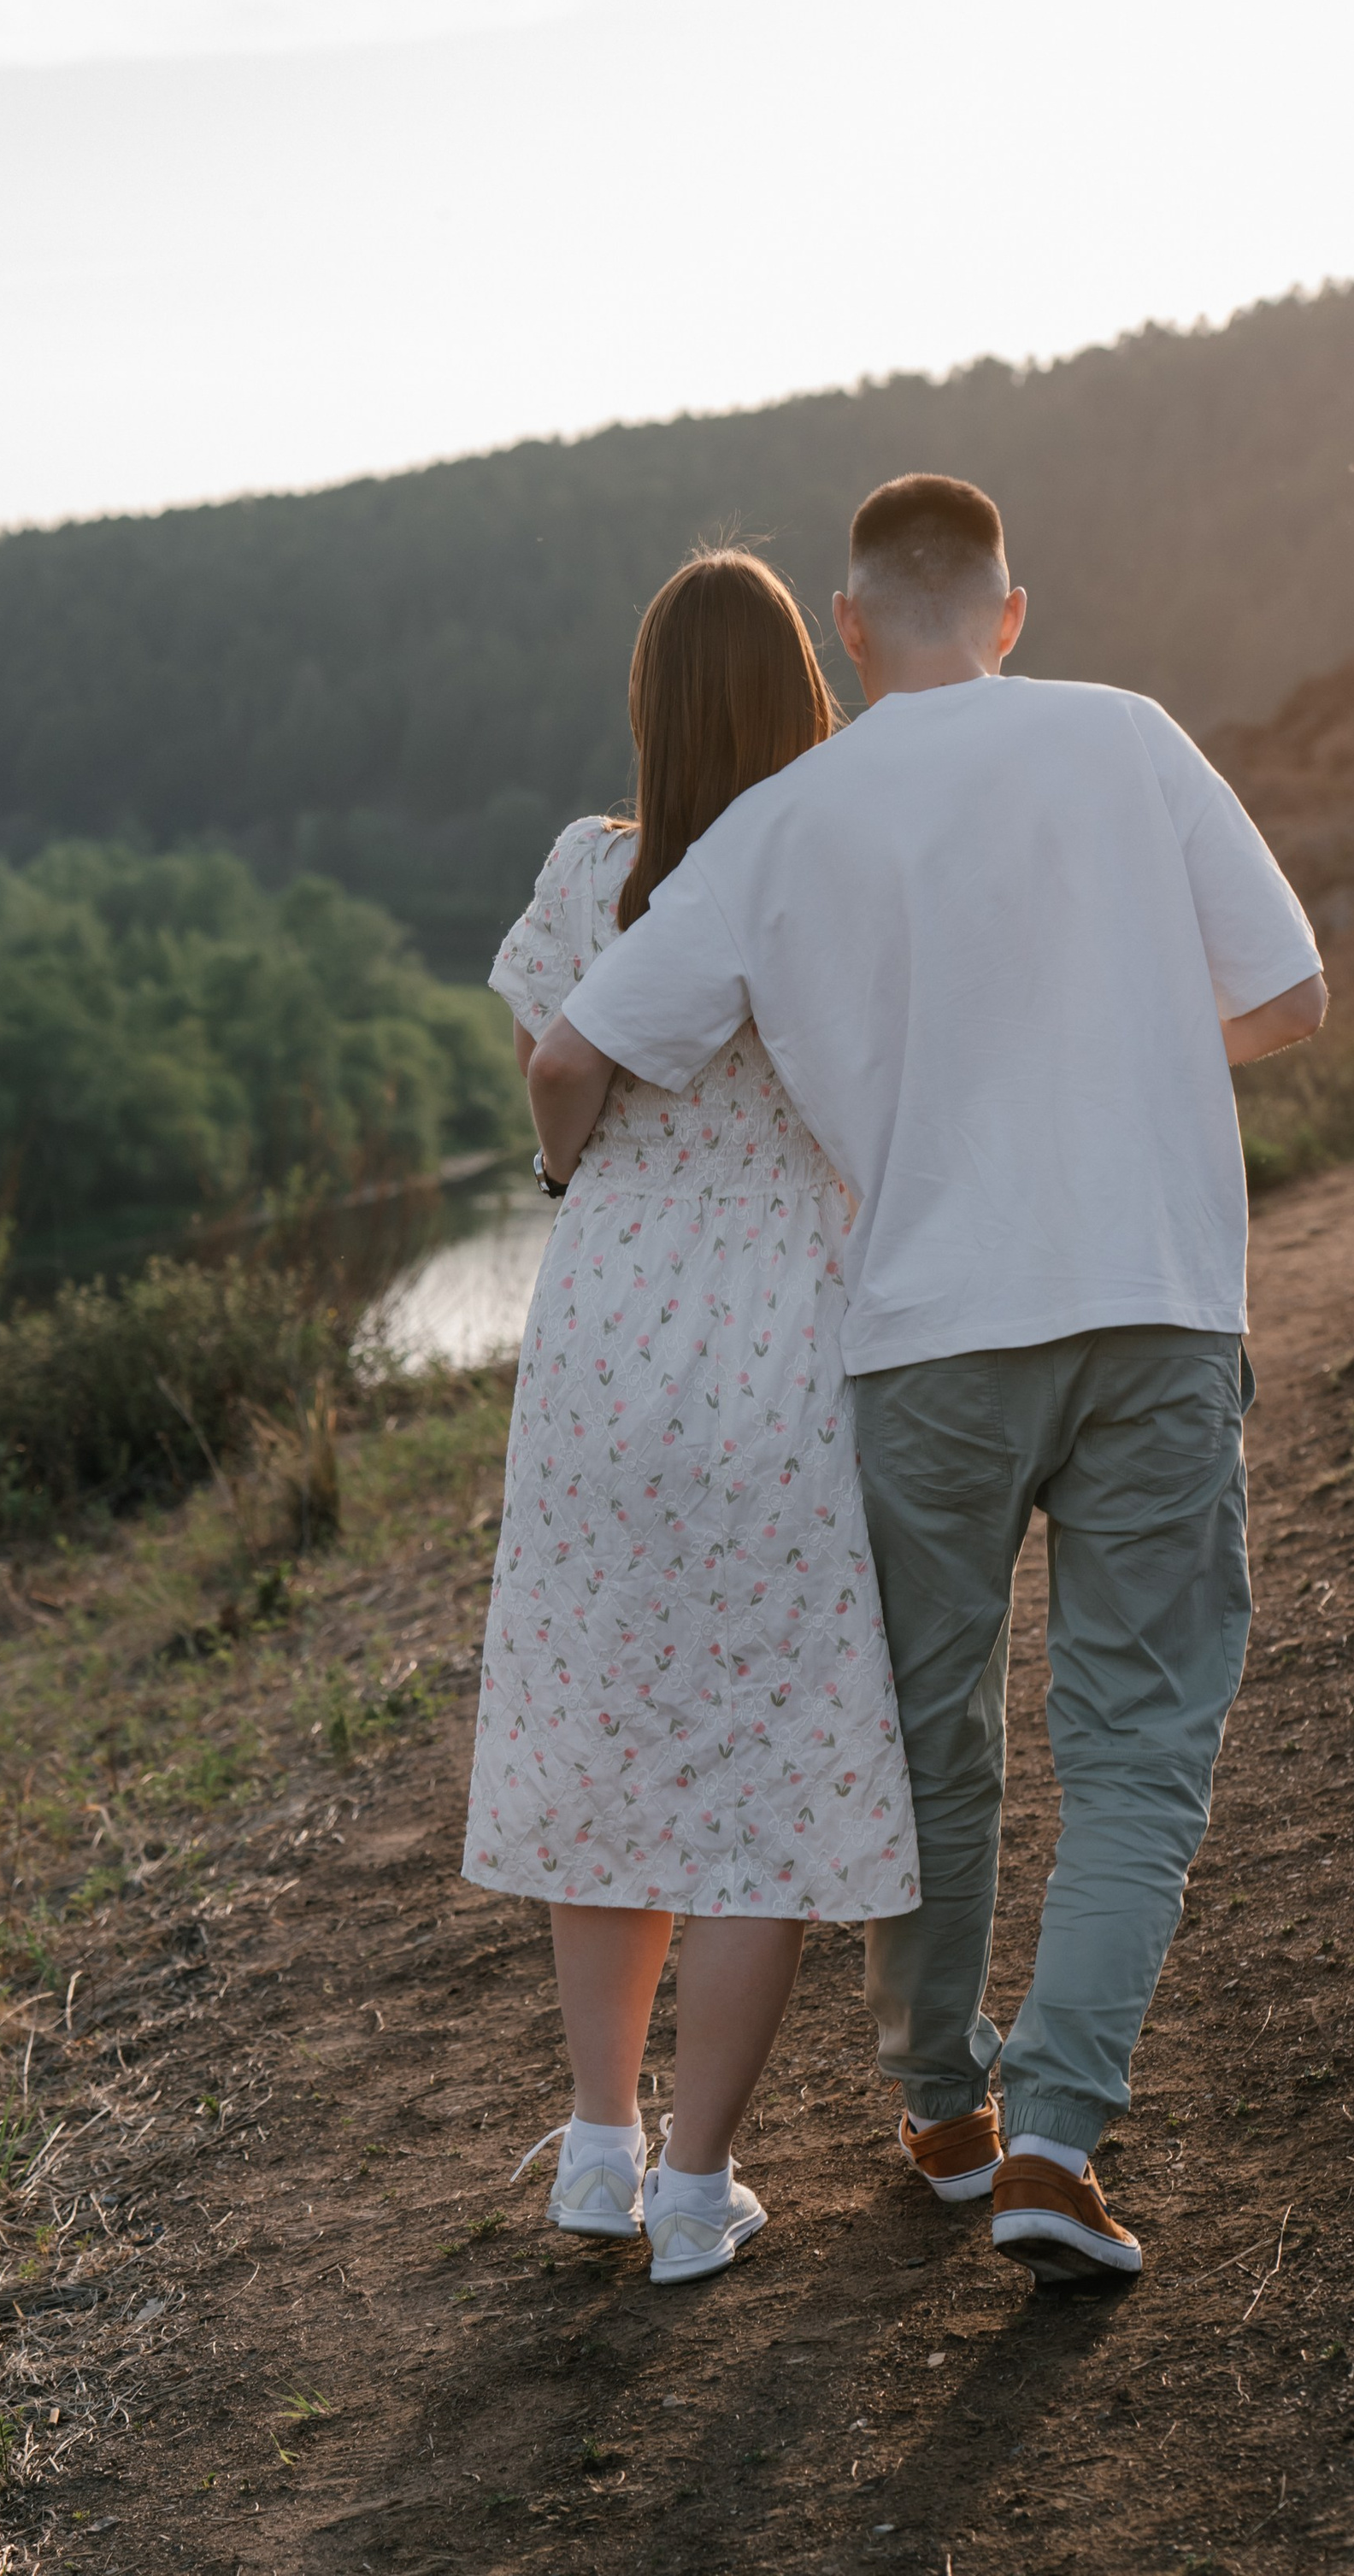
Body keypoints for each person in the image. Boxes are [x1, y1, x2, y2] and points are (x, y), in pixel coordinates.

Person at [528, 473, 1326, 2287]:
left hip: (922, 1342)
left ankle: (942, 2103)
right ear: (1011, 612)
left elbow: (580, 1053)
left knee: (926, 1738)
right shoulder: (1126, 739)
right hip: (1156, 1308)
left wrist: (575, 1184)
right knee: (1134, 1748)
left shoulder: (789, 818)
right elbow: (1287, 996)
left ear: (851, 629)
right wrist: (1125, 1039)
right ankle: (1058, 2135)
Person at [467, 548, 916, 2287]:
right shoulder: (839, 855)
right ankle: (692, 2184)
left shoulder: (590, 867)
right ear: (802, 686)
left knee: (605, 1728)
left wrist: (564, 1167)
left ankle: (598, 2142)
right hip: (790, 1328)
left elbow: (555, 1073)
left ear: (650, 700)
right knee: (766, 1762)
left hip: (604, 1333)